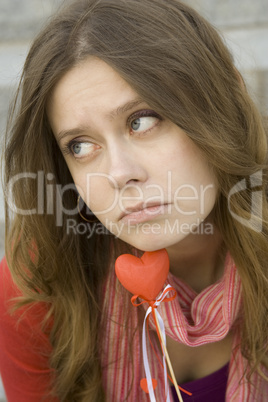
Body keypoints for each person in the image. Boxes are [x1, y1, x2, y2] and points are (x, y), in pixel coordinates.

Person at [0, 0, 267, 400]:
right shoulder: (36, 285)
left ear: (226, 96)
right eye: (80, 145)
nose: (120, 173)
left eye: (142, 120)